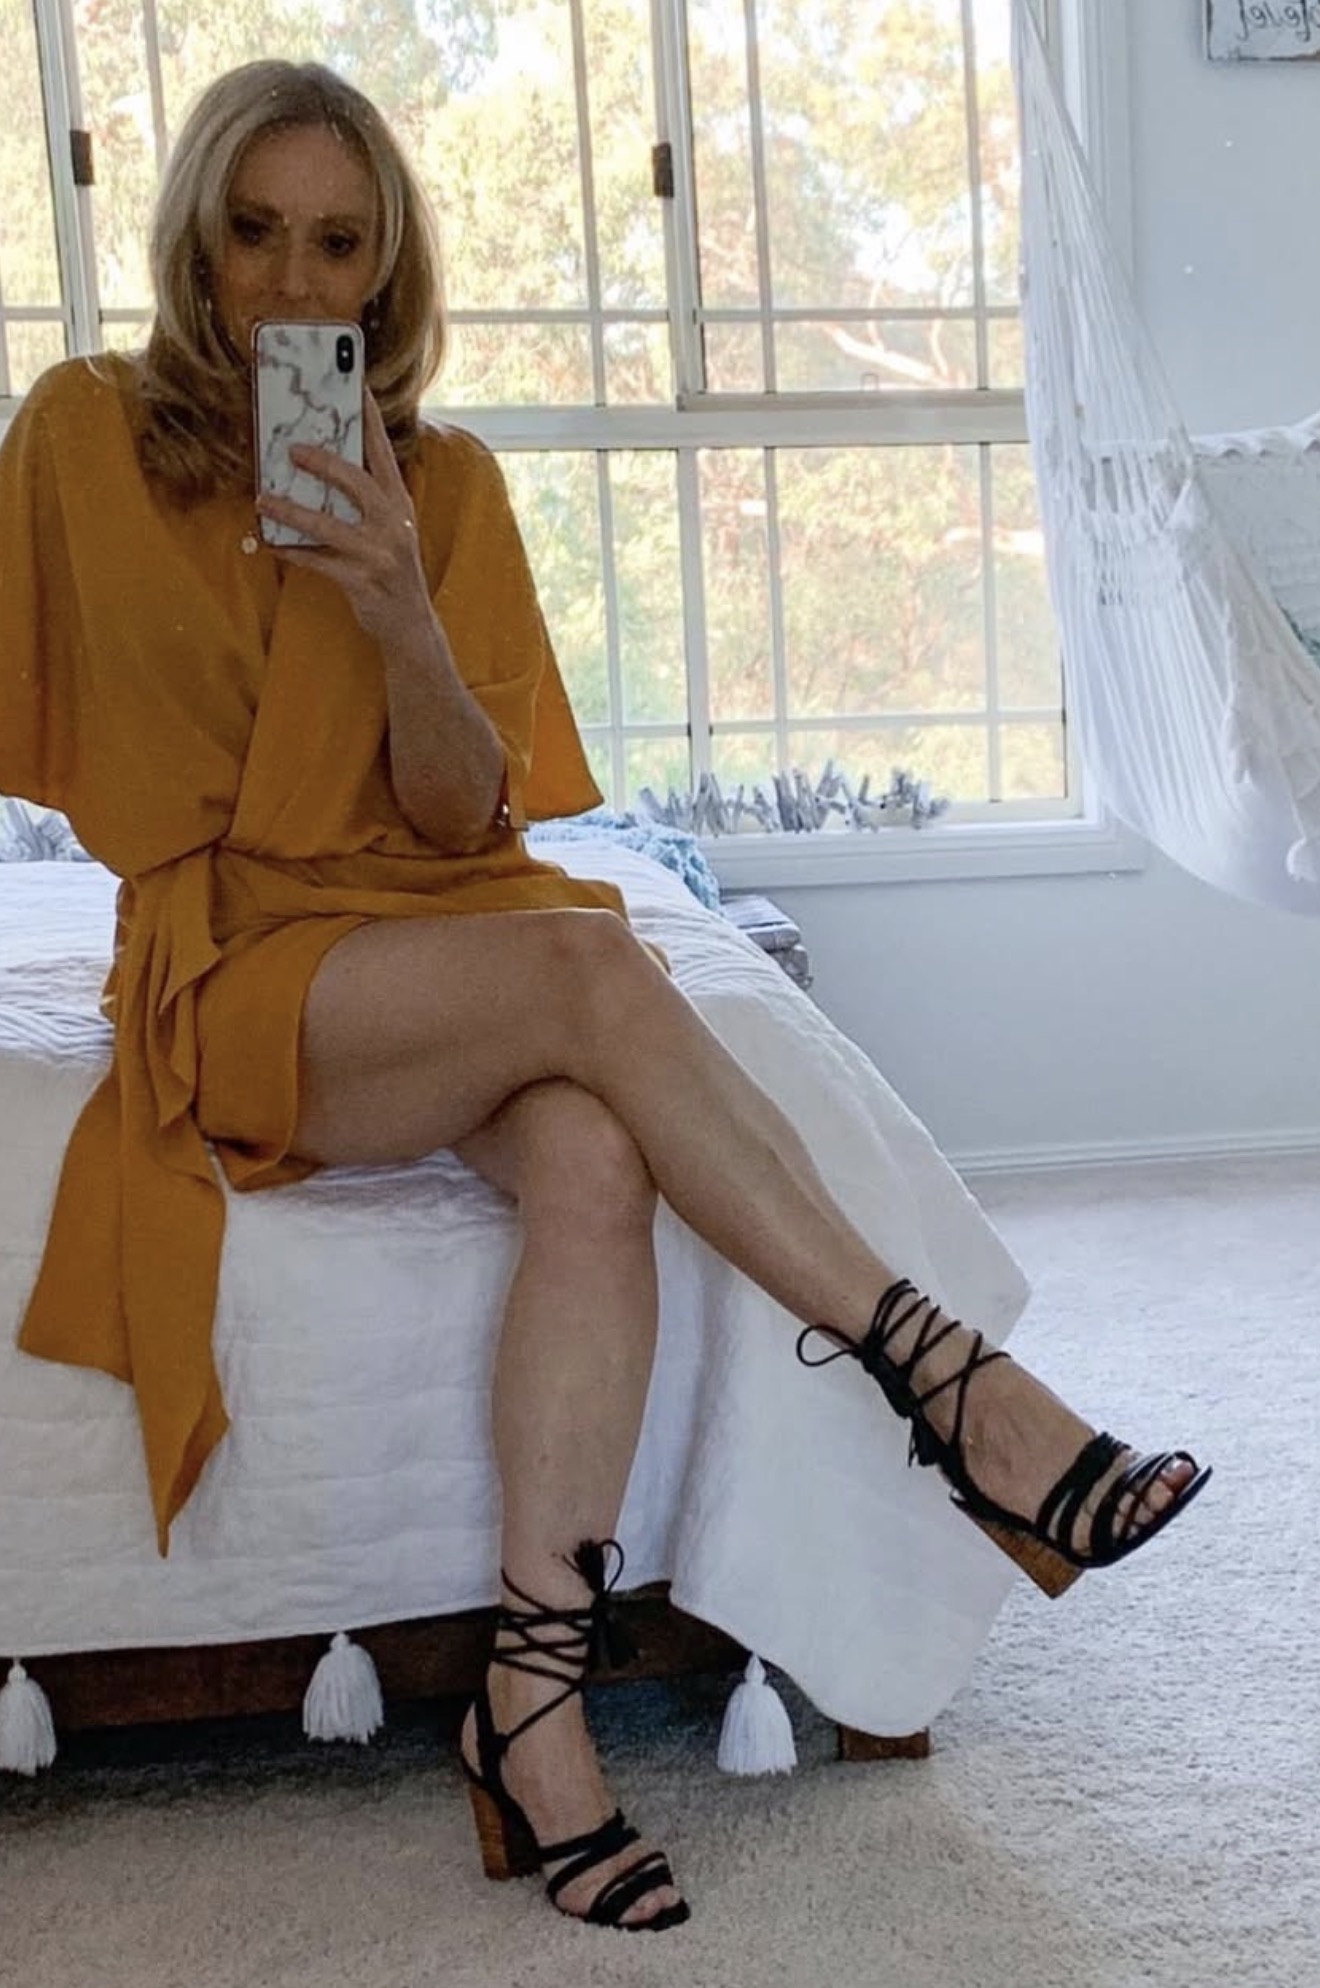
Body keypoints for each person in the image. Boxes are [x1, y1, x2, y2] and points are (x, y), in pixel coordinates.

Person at [0, 60, 1210, 1935]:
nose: (293, 284)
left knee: (588, 1153)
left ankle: (533, 1705)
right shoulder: (86, 435)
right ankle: (955, 1386)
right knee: (591, 958)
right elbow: (57, 736)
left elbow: (463, 813)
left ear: (387, 267)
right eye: (254, 234)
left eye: (337, 243)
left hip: (441, 922)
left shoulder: (449, 483)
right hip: (239, 969)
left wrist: (394, 600)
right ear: (194, 243)